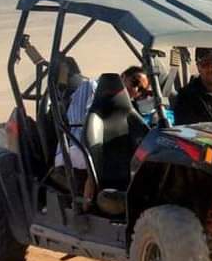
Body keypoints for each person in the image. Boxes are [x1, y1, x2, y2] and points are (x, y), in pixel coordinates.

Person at [52, 66, 150, 206]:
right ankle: (90, 203)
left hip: (100, 149)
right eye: (134, 83)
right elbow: (79, 123)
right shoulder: (90, 86)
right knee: (105, 155)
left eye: (142, 91)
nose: (136, 91)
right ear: (122, 77)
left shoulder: (125, 106)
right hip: (75, 147)